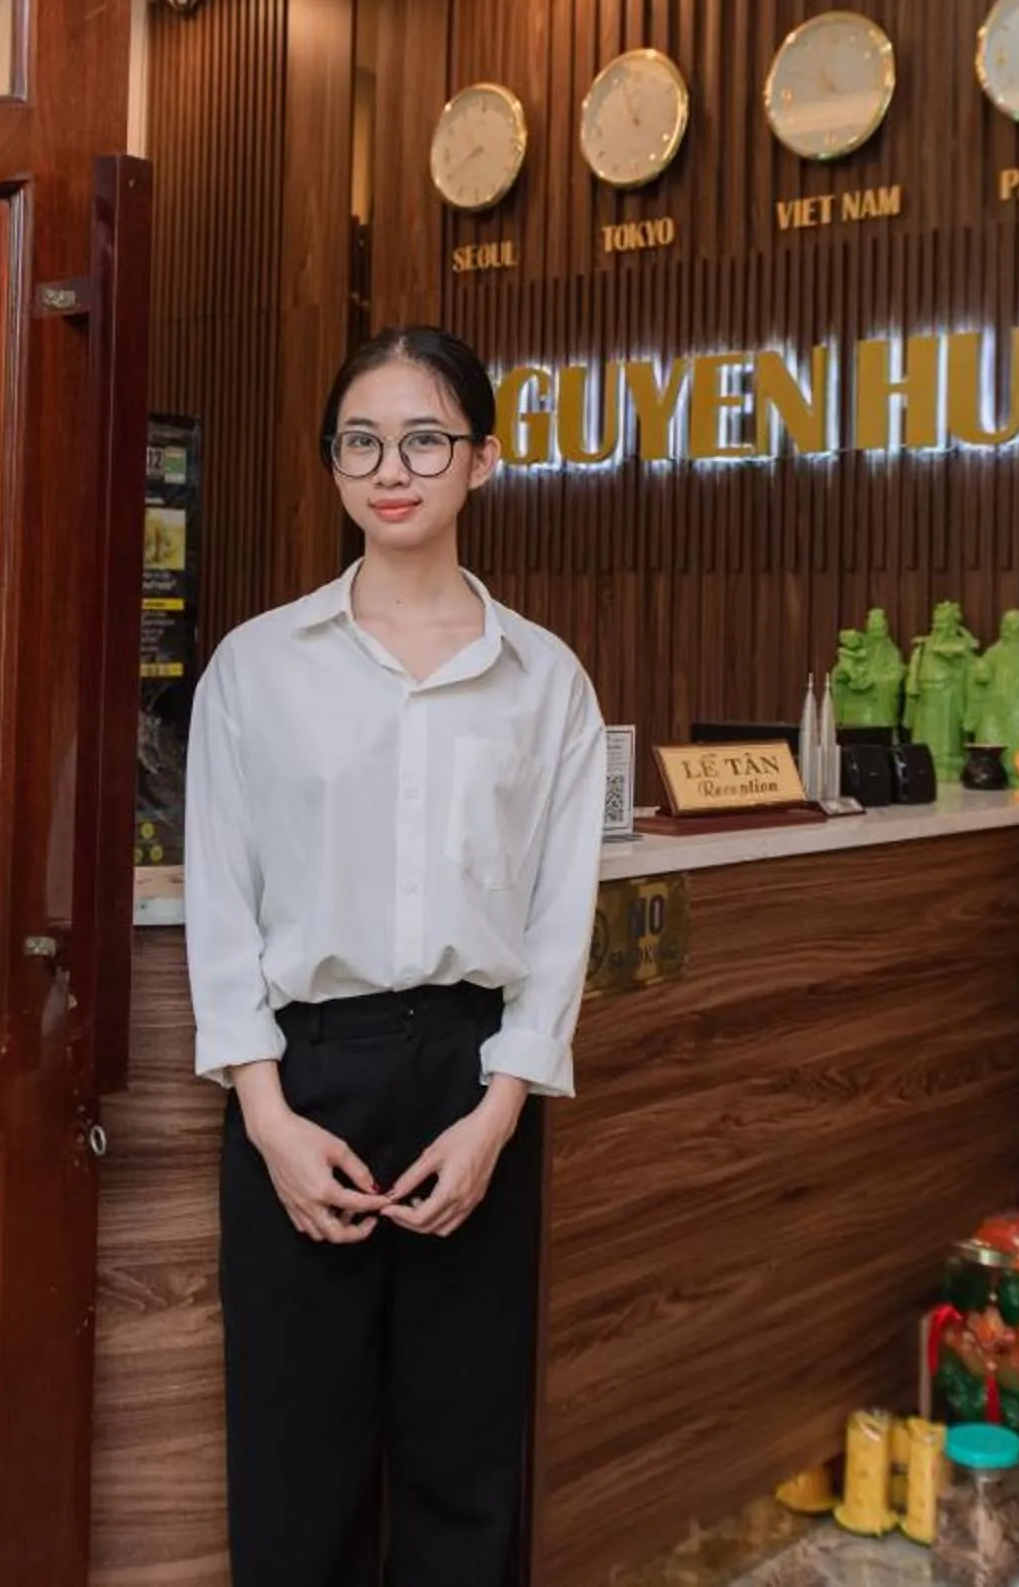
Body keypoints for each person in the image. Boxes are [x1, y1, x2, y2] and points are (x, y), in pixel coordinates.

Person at [183, 325, 606, 1586]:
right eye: (361, 441)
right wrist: (265, 1112)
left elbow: (556, 918)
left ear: (483, 459)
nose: (392, 467)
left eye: (425, 438)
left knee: (464, 1464)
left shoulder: (546, 681)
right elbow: (223, 904)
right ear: (334, 465)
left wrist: (500, 1113)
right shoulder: (257, 668)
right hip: (303, 1087)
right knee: (295, 1461)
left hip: (477, 1092)